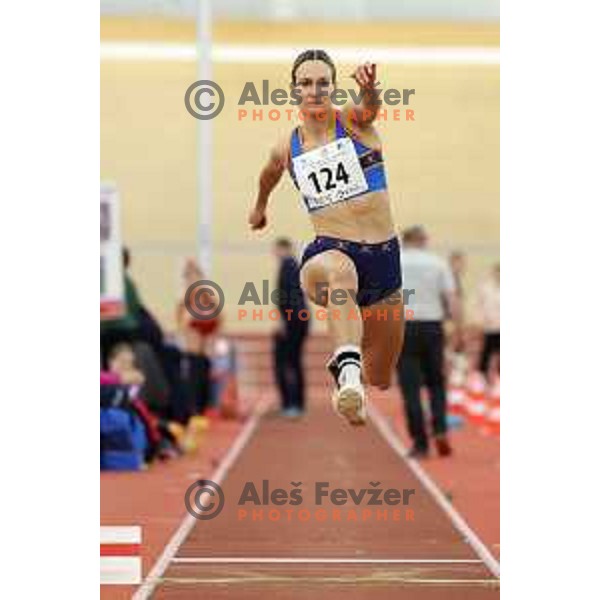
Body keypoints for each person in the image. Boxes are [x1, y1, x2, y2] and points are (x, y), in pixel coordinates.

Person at [249, 49, 404, 426]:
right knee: (340, 272)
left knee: (381, 375)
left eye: (322, 83)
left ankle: (351, 383)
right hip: (330, 250)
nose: (314, 90)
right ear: (293, 90)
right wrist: (260, 206)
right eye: (306, 83)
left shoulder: (351, 122)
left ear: (334, 88)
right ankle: (347, 368)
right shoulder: (288, 146)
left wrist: (369, 90)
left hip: (383, 259)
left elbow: (369, 108)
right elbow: (269, 173)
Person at [396, 226, 460, 458]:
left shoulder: (395, 263)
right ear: (424, 240)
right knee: (436, 383)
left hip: (404, 326)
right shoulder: (438, 263)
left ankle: (420, 443)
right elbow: (452, 299)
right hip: (433, 326)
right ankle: (441, 429)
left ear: (404, 241)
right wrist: (457, 330)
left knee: (410, 387)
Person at [272, 237, 310, 417]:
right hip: (299, 318)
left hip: (293, 319)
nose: (273, 253)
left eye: (275, 249)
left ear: (283, 248)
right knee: (293, 361)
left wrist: (283, 321)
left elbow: (287, 297)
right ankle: (296, 403)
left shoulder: (288, 265)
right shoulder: (295, 266)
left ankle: (291, 403)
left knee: (286, 362)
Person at [475, 263, 500, 378]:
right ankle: (481, 376)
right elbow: (479, 305)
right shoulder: (486, 287)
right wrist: (480, 321)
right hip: (489, 325)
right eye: (497, 272)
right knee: (486, 352)